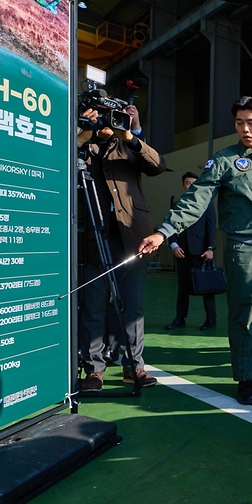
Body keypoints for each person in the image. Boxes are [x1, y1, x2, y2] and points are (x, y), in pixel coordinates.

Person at [138, 97, 252, 406]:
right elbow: (195, 199)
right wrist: (165, 232)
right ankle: (246, 377)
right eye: (239, 123)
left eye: (251, 123)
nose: (244, 129)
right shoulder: (225, 161)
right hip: (244, 248)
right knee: (246, 316)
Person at [77, 104, 167, 391]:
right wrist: (82, 135)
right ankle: (94, 370)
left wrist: (129, 135)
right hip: (92, 236)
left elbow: (157, 165)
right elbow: (55, 165)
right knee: (94, 304)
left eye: (109, 116)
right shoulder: (81, 146)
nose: (105, 121)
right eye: (99, 115)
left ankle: (134, 366)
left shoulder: (126, 145)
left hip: (132, 236)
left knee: (133, 304)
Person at [165, 172, 218, 331]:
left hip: (201, 252)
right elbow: (171, 225)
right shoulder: (177, 204)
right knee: (183, 288)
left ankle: (211, 320)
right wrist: (173, 244)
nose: (191, 185)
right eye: (188, 182)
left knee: (207, 287)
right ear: (183, 185)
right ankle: (180, 318)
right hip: (182, 252)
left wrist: (210, 248)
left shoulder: (207, 203)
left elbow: (211, 227)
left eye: (194, 182)